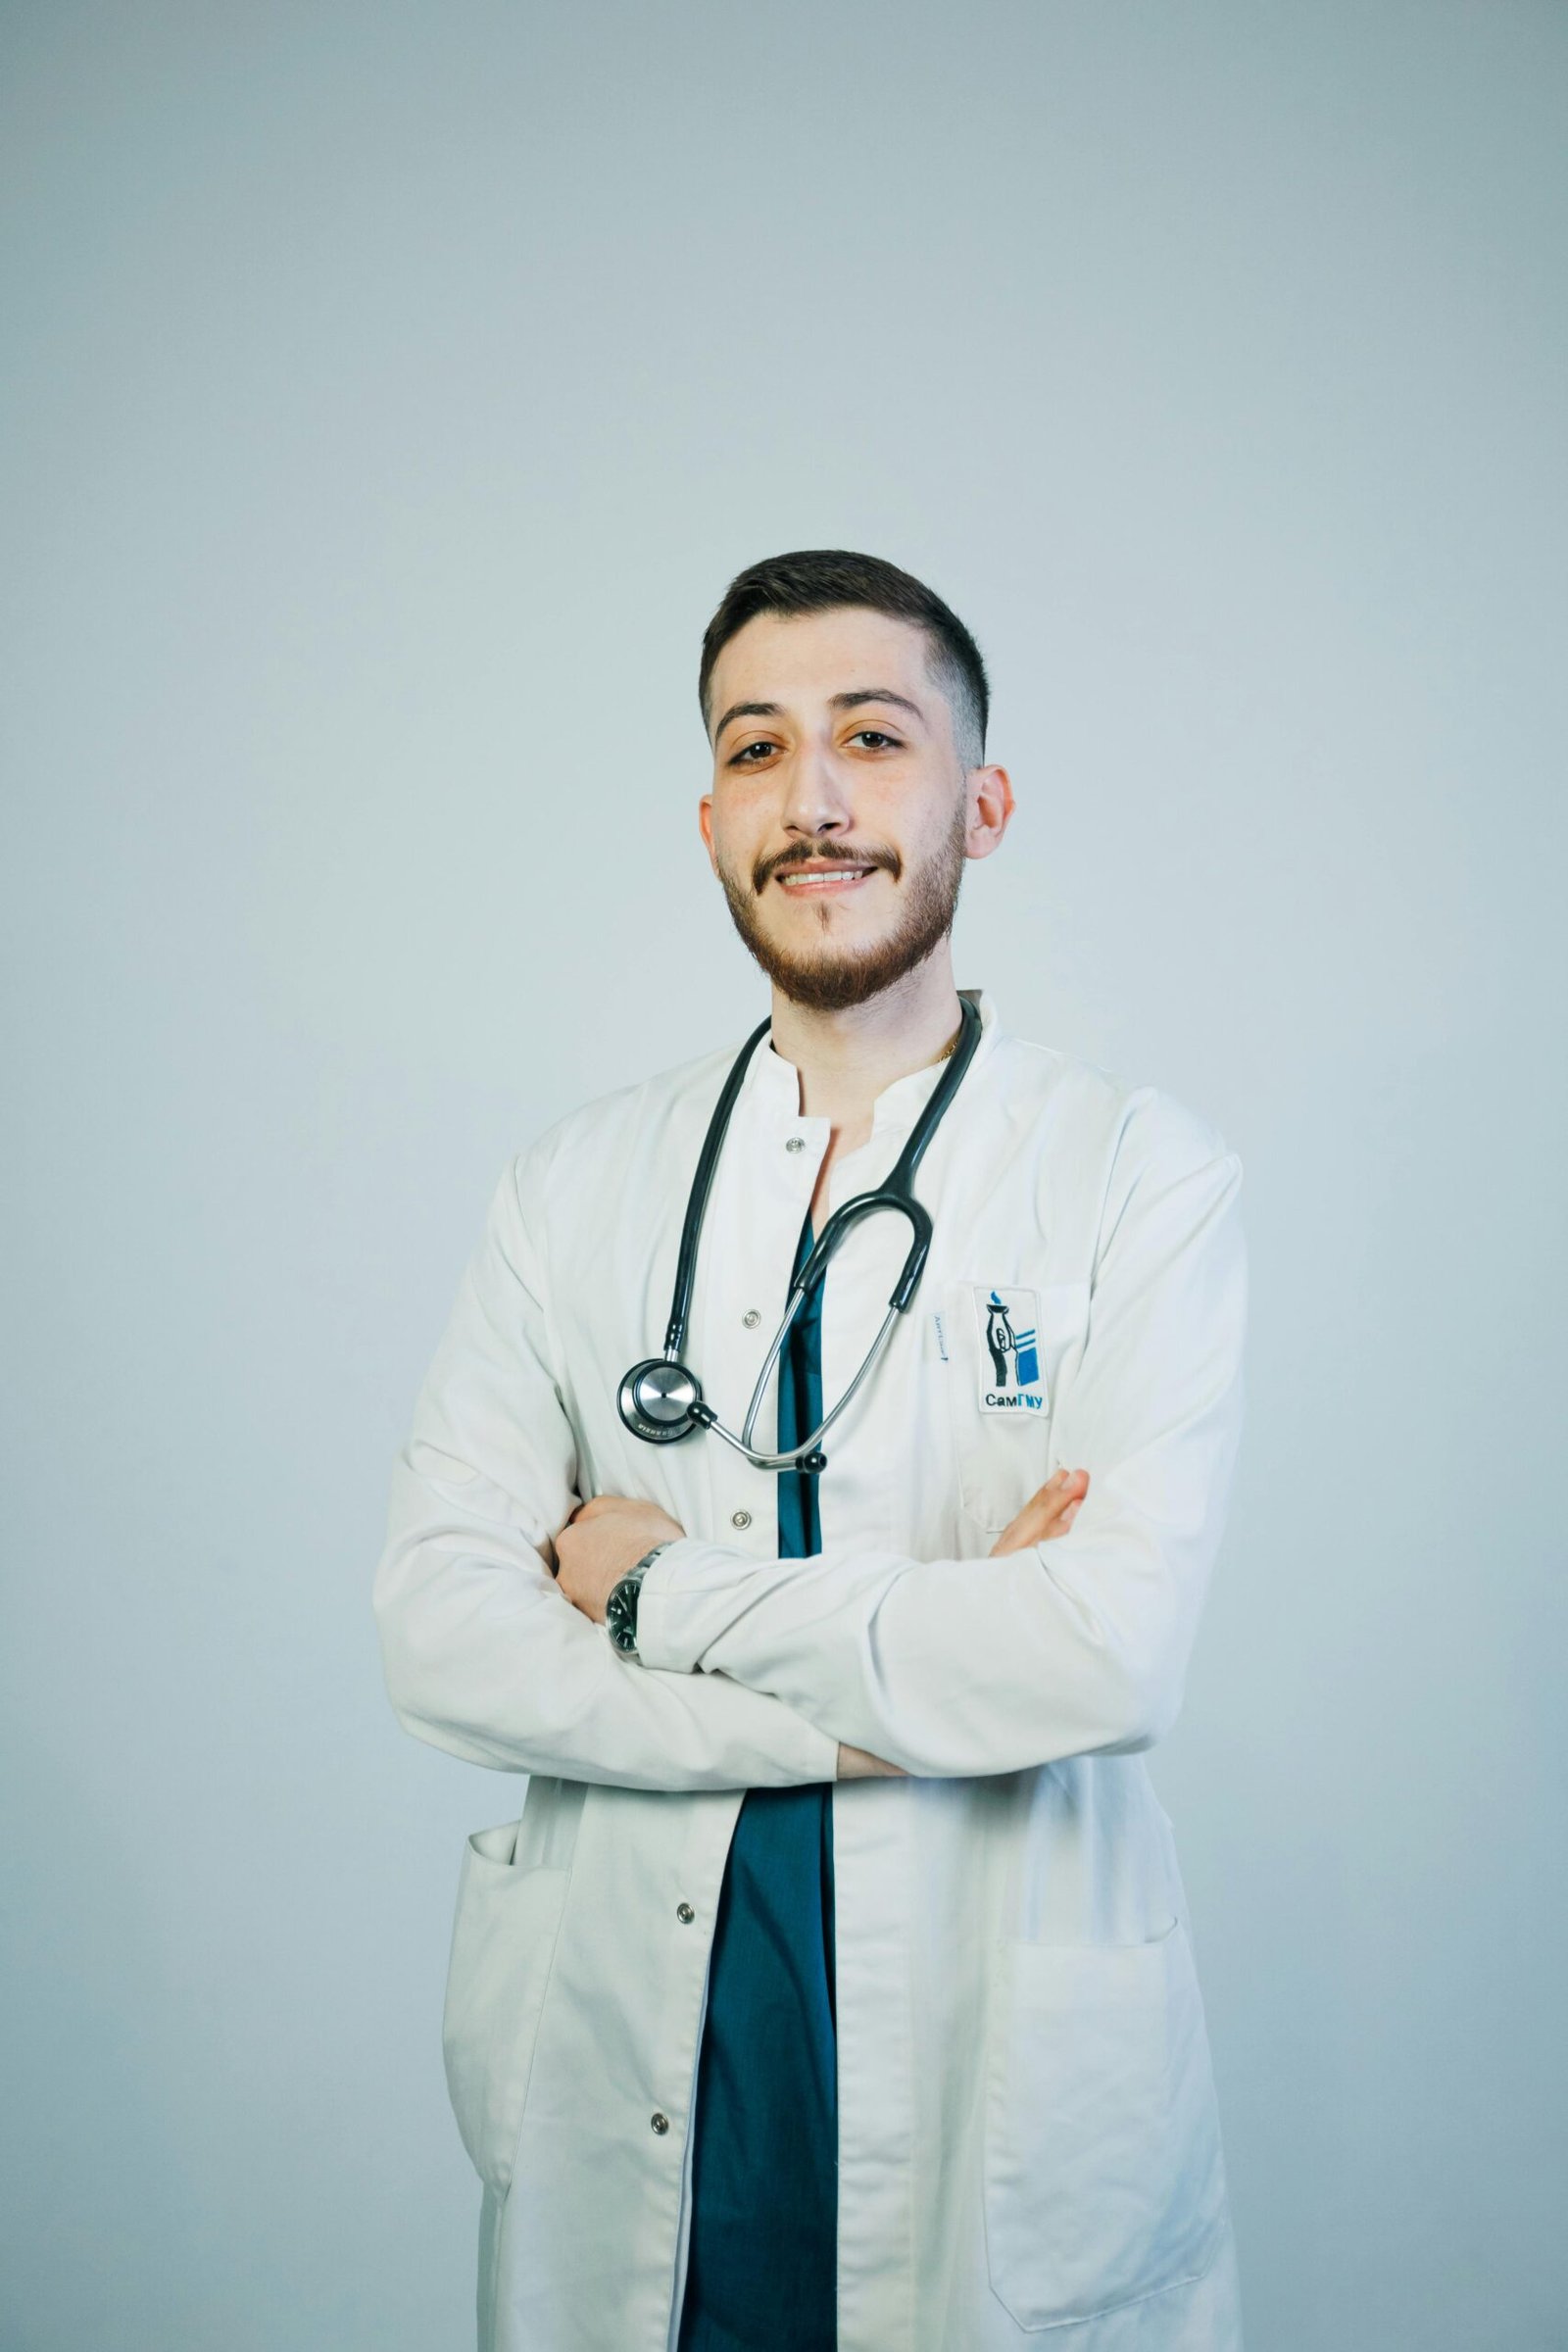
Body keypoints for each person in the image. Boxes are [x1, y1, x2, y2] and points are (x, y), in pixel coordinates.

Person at [372, 547, 1250, 2352]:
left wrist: (652, 1592)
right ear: (710, 821)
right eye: (757, 748)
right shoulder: (569, 1193)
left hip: (1001, 2082)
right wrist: (907, 1702)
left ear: (980, 804)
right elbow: (441, 1635)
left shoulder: (1134, 1176)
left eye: (874, 736)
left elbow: (1108, 1652)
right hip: (642, 2062)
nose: (816, 799)